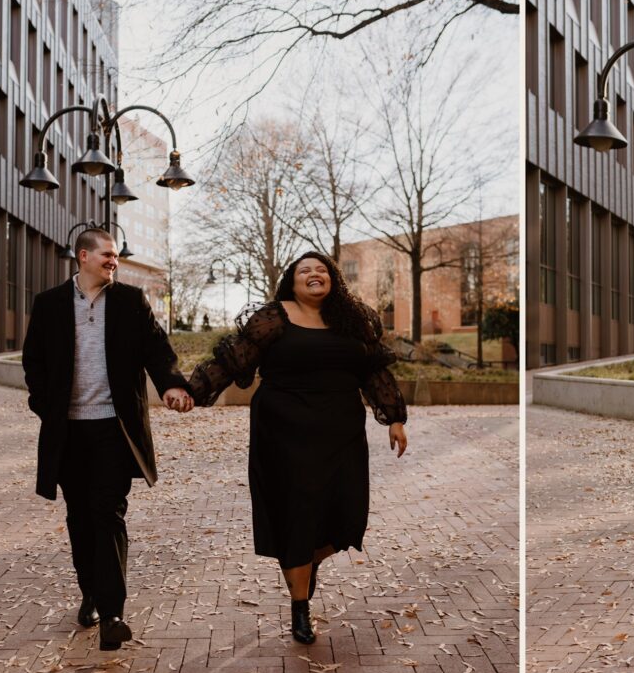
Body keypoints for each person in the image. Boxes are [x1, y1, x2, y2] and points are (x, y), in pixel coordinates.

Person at [185, 250, 408, 648]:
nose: (313, 274)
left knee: (343, 512)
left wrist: (394, 417)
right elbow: (235, 359)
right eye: (304, 270)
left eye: (321, 269)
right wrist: (191, 391)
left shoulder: (354, 319)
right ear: (292, 280)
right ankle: (300, 606)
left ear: (333, 278)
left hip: (340, 434)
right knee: (296, 514)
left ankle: (305, 563)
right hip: (283, 432)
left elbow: (374, 369)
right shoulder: (273, 317)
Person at [21, 225, 193, 651]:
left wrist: (171, 383)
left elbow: (157, 349)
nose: (114, 261)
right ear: (83, 257)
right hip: (69, 431)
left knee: (109, 513)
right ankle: (91, 595)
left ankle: (113, 613)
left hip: (114, 430)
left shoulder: (131, 302)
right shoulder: (49, 305)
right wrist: (46, 406)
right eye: (107, 255)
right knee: (80, 517)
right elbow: (33, 363)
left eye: (115, 256)